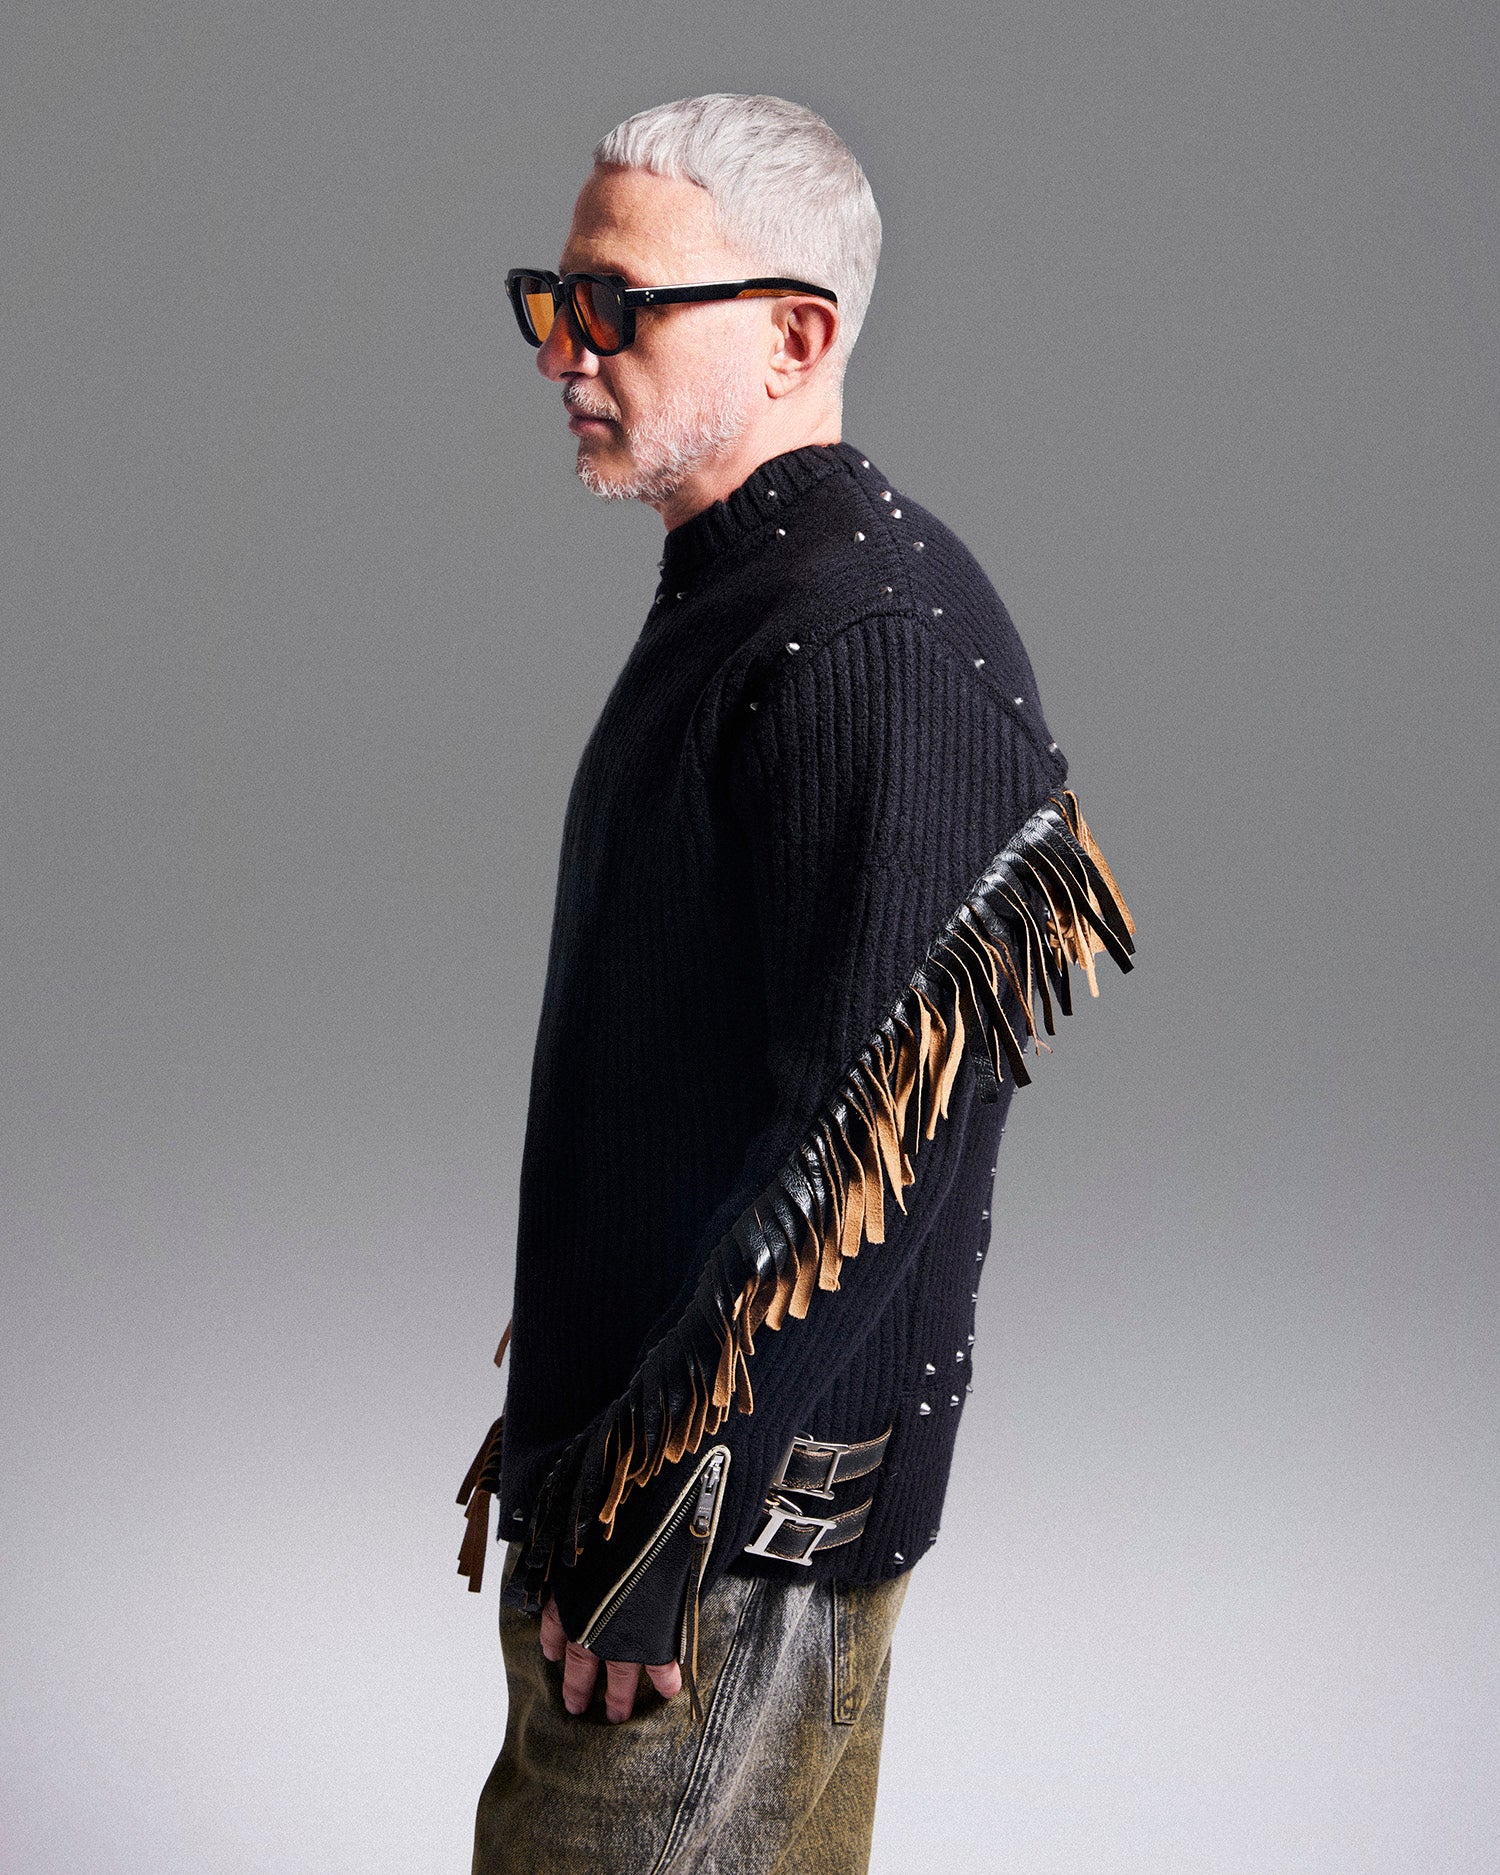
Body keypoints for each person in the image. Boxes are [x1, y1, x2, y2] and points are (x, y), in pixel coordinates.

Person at [456, 92, 1135, 1875]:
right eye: (554, 299)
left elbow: (872, 1145)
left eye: (616, 304)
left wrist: (668, 1508)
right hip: (665, 1512)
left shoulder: (871, 637)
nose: (565, 351)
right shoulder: (749, 596)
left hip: (717, 1559)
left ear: (796, 337)